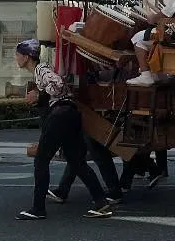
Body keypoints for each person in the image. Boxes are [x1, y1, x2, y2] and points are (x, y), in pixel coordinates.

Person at [15, 39, 112, 221]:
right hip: (70, 114)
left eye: (18, 55)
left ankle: (38, 208)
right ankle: (101, 203)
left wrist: (39, 94)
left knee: (41, 160)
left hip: (59, 115)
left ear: (26, 57)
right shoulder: (42, 69)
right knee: (76, 162)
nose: (16, 58)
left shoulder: (41, 69)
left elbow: (58, 85)